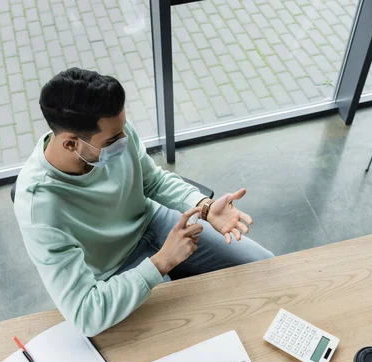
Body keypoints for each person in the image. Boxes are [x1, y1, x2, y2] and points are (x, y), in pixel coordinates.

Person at [14, 68, 273, 337]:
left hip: (156, 223)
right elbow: (85, 314)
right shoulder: (39, 207)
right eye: (113, 140)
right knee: (192, 331)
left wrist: (203, 207)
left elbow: (153, 182)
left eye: (123, 128)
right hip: (115, 269)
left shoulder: (116, 132)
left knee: (266, 268)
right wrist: (162, 262)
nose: (124, 141)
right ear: (70, 144)